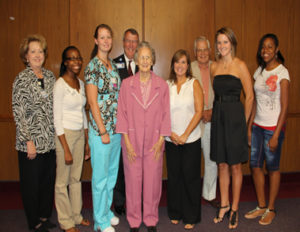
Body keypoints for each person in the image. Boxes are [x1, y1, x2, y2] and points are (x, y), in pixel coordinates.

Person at [116, 41, 171, 232]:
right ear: (137, 60)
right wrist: (128, 143)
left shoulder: (162, 86)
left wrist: (161, 141)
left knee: (153, 182)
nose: (145, 60)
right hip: (132, 140)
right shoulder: (126, 84)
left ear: (153, 60)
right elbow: (121, 114)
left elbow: (166, 115)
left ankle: (150, 219)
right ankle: (133, 220)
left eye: (148, 57)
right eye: (142, 57)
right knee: (132, 182)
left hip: (154, 142)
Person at [12, 34, 57, 232]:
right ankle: (34, 222)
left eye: (40, 51)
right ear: (26, 56)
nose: (38, 55)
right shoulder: (21, 79)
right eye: (33, 51)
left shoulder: (49, 77)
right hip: (30, 144)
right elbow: (18, 112)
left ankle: (44, 216)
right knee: (31, 185)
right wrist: (28, 140)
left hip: (49, 142)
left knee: (47, 183)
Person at [210, 27, 254, 229]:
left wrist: (243, 123)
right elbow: (215, 93)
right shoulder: (214, 67)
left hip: (236, 118)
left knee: (236, 165)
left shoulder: (240, 65)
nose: (222, 46)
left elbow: (250, 96)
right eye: (219, 42)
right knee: (221, 164)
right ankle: (224, 204)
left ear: (232, 43)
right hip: (219, 117)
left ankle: (235, 207)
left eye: (225, 42)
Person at [244, 34, 290, 225]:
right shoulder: (259, 72)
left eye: (270, 47)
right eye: (263, 47)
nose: (265, 51)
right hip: (257, 127)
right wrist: (249, 126)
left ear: (277, 49)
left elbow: (285, 106)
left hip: (273, 128)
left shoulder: (282, 73)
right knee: (255, 166)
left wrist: (277, 134)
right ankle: (261, 205)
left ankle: (271, 208)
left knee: (272, 168)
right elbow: (255, 101)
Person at [85, 24, 121, 232]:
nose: (106, 40)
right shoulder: (93, 67)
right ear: (96, 40)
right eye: (102, 37)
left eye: (109, 37)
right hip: (102, 133)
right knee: (100, 178)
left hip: (116, 131)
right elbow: (92, 101)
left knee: (111, 176)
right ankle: (100, 221)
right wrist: (103, 130)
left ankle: (106, 212)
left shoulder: (112, 66)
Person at [53, 46, 91, 232]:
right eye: (72, 58)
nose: (76, 62)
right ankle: (66, 221)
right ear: (65, 62)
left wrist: (86, 141)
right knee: (62, 181)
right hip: (64, 135)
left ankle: (76, 216)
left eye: (78, 58)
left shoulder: (81, 84)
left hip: (79, 135)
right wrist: (66, 148)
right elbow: (56, 119)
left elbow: (83, 114)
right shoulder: (60, 84)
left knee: (76, 178)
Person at [165, 49, 203, 230]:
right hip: (170, 139)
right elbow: (161, 113)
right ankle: (175, 212)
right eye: (177, 62)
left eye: (183, 62)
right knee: (174, 178)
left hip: (191, 140)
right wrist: (171, 133)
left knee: (190, 178)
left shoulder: (193, 83)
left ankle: (191, 216)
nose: (180, 65)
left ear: (188, 66)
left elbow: (199, 111)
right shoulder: (167, 84)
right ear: (173, 65)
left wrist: (186, 134)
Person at [113, 28, 139, 215]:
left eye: (134, 41)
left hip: (140, 126)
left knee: (137, 164)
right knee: (120, 165)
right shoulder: (114, 65)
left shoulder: (145, 64)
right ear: (123, 42)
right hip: (121, 124)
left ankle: (136, 200)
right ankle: (120, 201)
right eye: (128, 41)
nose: (131, 45)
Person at [191, 36, 219, 208]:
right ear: (195, 52)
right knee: (192, 161)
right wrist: (199, 112)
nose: (202, 53)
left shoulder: (217, 67)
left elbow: (224, 93)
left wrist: (213, 112)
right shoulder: (189, 67)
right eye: (199, 50)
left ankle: (209, 195)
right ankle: (192, 194)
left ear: (210, 51)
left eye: (205, 49)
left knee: (211, 160)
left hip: (212, 120)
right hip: (194, 121)